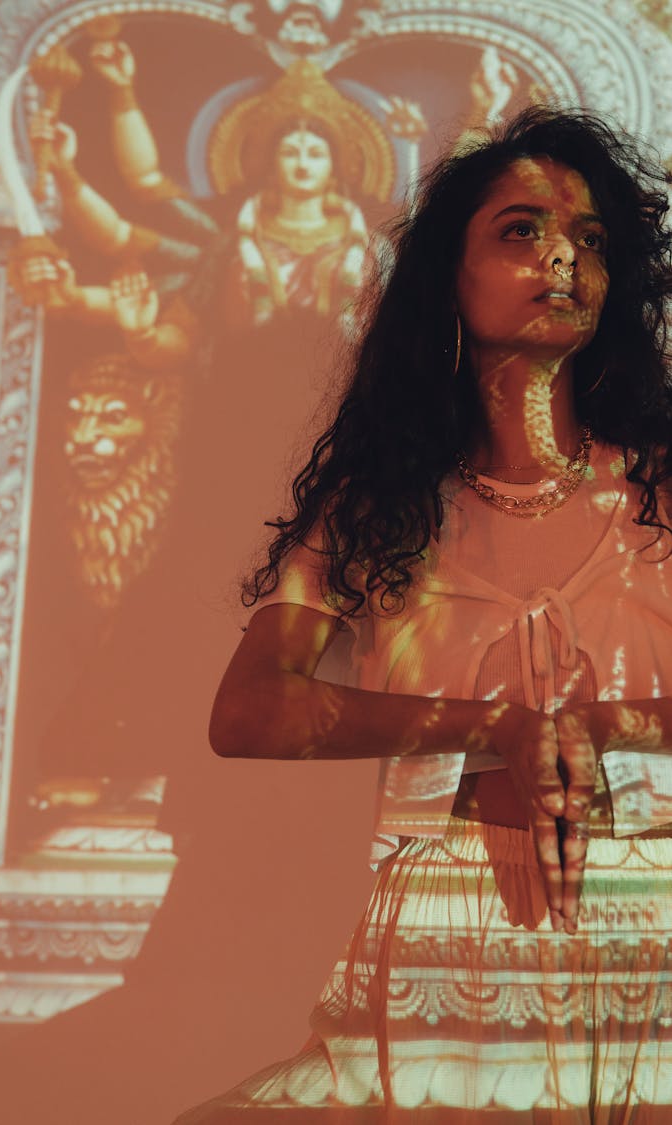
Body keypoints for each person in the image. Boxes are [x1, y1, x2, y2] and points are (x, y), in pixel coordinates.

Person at [174, 105, 672, 1121]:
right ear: (450, 273)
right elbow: (250, 711)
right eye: (522, 230)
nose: (564, 258)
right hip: (438, 959)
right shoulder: (377, 510)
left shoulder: (663, 495)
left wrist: (595, 729)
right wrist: (492, 730)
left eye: (590, 240)